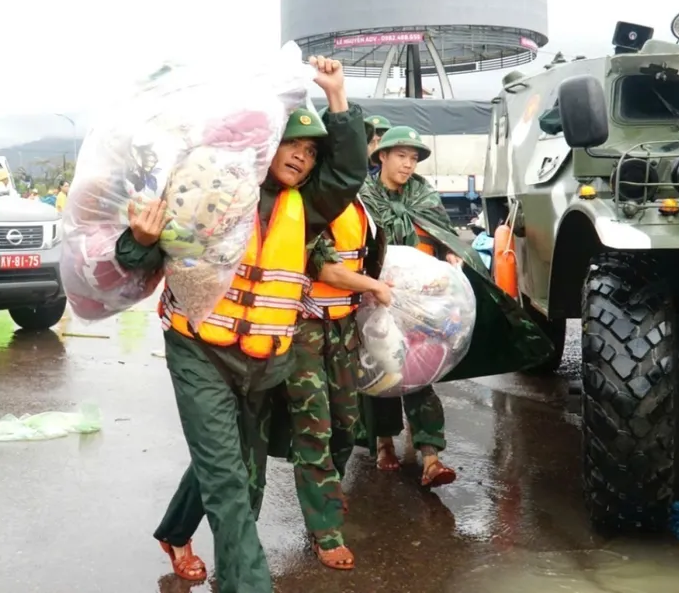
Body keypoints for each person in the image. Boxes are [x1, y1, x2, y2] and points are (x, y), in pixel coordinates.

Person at [114, 56, 367, 593]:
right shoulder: (214, 189)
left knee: (232, 466)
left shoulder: (310, 208)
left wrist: (337, 97)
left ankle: (175, 532)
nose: (301, 156)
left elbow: (347, 172)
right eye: (292, 145)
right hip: (199, 350)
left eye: (310, 152)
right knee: (232, 483)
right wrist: (138, 238)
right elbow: (136, 261)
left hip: (266, 362)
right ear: (265, 144)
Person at [281, 200, 392, 570]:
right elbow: (327, 269)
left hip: (344, 328)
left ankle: (328, 490)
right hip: (304, 330)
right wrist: (375, 285)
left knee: (347, 424)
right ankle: (325, 530)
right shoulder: (310, 200)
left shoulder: (363, 203)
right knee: (314, 428)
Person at [356, 125, 461, 488]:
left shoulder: (423, 195)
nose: (408, 164)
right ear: (381, 156)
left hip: (422, 299)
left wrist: (451, 256)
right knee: (382, 370)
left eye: (413, 158)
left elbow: (442, 234)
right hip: (374, 295)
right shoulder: (364, 196)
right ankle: (383, 442)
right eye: (401, 155)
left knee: (421, 370)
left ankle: (431, 454)